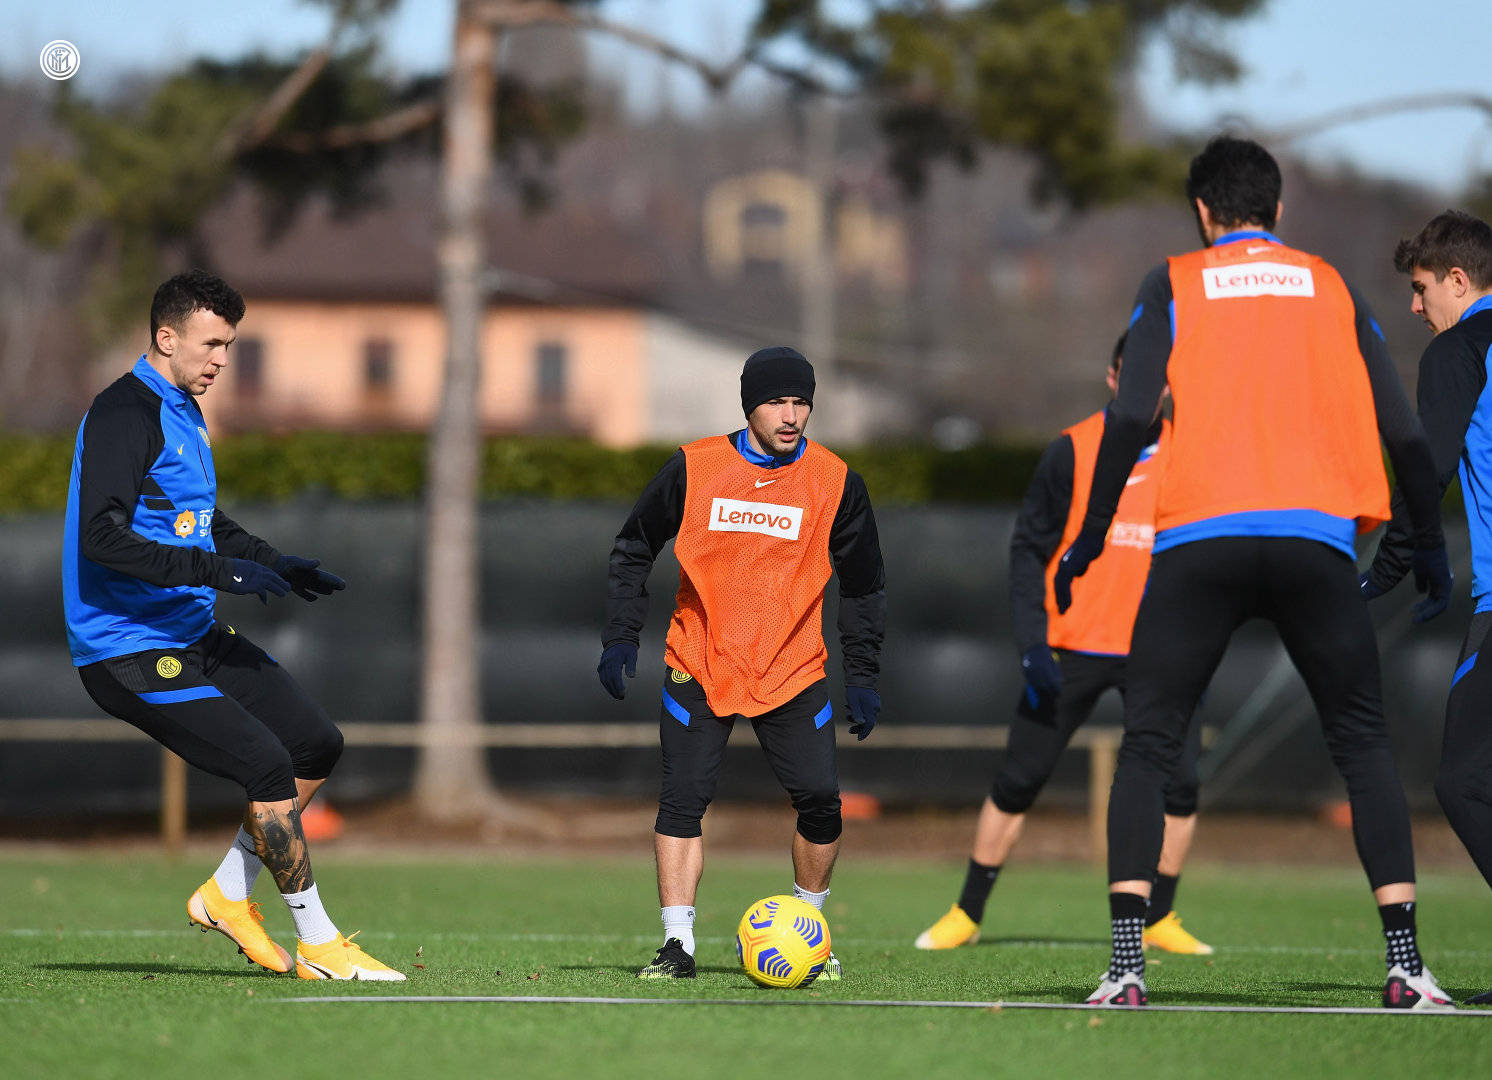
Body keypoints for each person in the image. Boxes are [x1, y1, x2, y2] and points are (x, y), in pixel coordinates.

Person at [1052, 136, 1455, 1009]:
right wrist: (1426, 542)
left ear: (1203, 213)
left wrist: (1088, 535)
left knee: (1151, 745)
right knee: (1362, 744)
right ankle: (1406, 967)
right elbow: (1408, 431)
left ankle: (1125, 968)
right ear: (1279, 209)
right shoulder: (1332, 286)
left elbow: (1128, 418)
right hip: (1315, 543)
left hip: (1198, 543)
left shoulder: (1174, 280)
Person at [63, 270, 403, 982]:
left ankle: (226, 892)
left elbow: (200, 523)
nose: (222, 359)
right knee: (266, 766)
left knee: (315, 744)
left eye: (230, 345)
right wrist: (222, 574)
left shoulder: (185, 409)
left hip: (192, 634)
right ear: (166, 338)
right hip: (127, 649)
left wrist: (273, 561)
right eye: (211, 343)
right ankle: (319, 941)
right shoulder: (126, 412)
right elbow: (101, 537)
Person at [915, 336, 1211, 956]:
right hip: (1070, 645)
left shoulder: (1194, 454)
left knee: (1181, 783)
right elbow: (1028, 549)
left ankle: (1159, 914)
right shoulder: (1071, 449)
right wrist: (1032, 644)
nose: (1145, 388)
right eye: (1134, 376)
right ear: (1112, 377)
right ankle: (967, 911)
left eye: (1157, 377)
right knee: (1018, 780)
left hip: (1157, 652)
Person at [598, 346, 886, 980]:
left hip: (793, 670)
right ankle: (677, 946)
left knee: (821, 803)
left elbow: (863, 585)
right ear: (749, 404)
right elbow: (633, 547)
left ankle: (811, 930)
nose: (791, 414)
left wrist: (862, 676)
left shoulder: (836, 480)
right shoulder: (694, 467)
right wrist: (621, 635)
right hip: (698, 661)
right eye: (777, 401)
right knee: (681, 803)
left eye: (801, 401)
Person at [1363, 209, 1492, 1005]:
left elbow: (1426, 467)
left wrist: (1387, 569)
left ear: (1457, 280)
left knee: (1464, 782)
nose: (1415, 309)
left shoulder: (1459, 349)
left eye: (1421, 290)